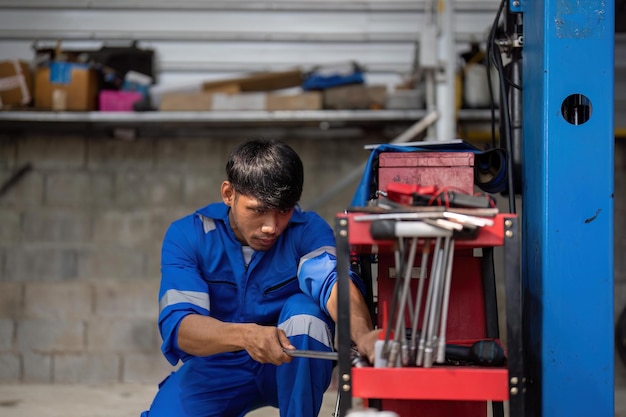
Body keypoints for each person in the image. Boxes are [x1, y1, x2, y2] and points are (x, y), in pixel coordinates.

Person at [142, 139, 380, 417]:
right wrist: (247, 336)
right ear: (229, 194)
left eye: (283, 211)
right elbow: (180, 328)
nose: (272, 227)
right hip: (218, 367)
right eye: (257, 210)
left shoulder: (307, 231)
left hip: (292, 361)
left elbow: (333, 283)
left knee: (305, 312)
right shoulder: (188, 236)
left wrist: (364, 336)